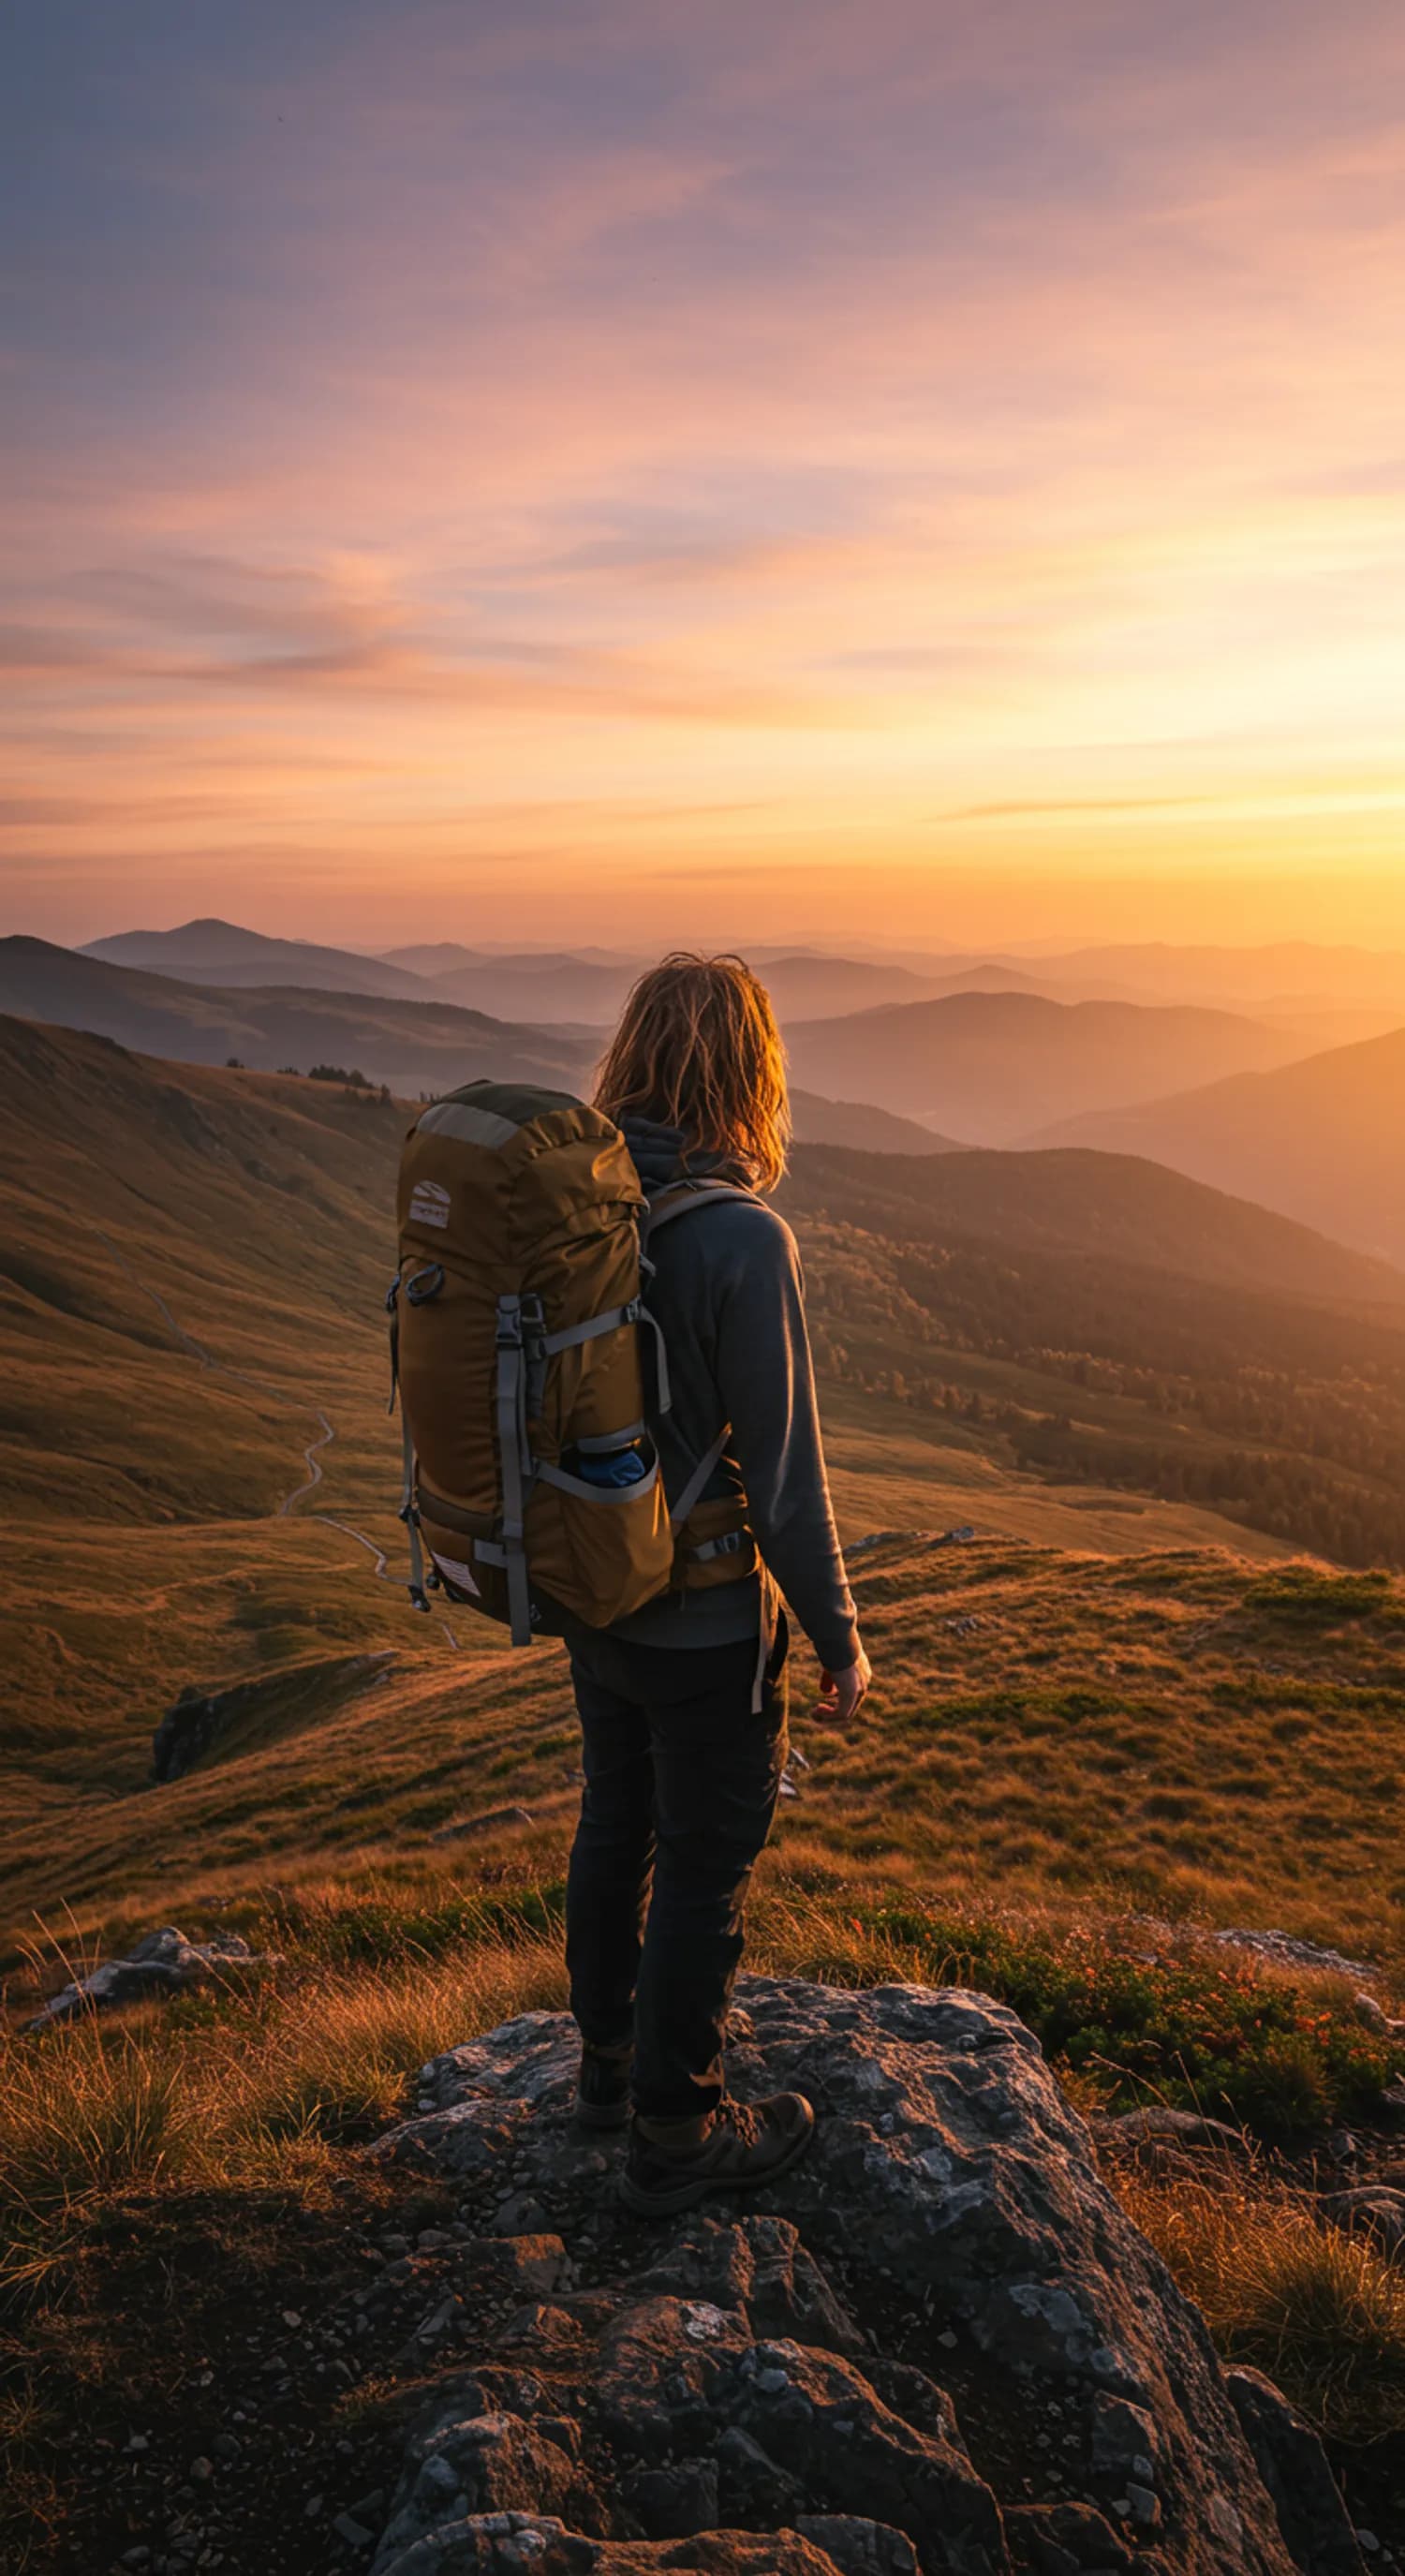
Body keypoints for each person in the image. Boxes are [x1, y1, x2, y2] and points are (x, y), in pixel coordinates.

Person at [557, 953, 872, 2216]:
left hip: (596, 1598)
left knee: (614, 1819)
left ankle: (604, 2069)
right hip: (703, 1622)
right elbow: (784, 1475)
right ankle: (680, 2127)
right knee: (704, 1854)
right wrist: (841, 1636)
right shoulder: (742, 1236)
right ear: (751, 1073)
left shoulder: (582, 1208)